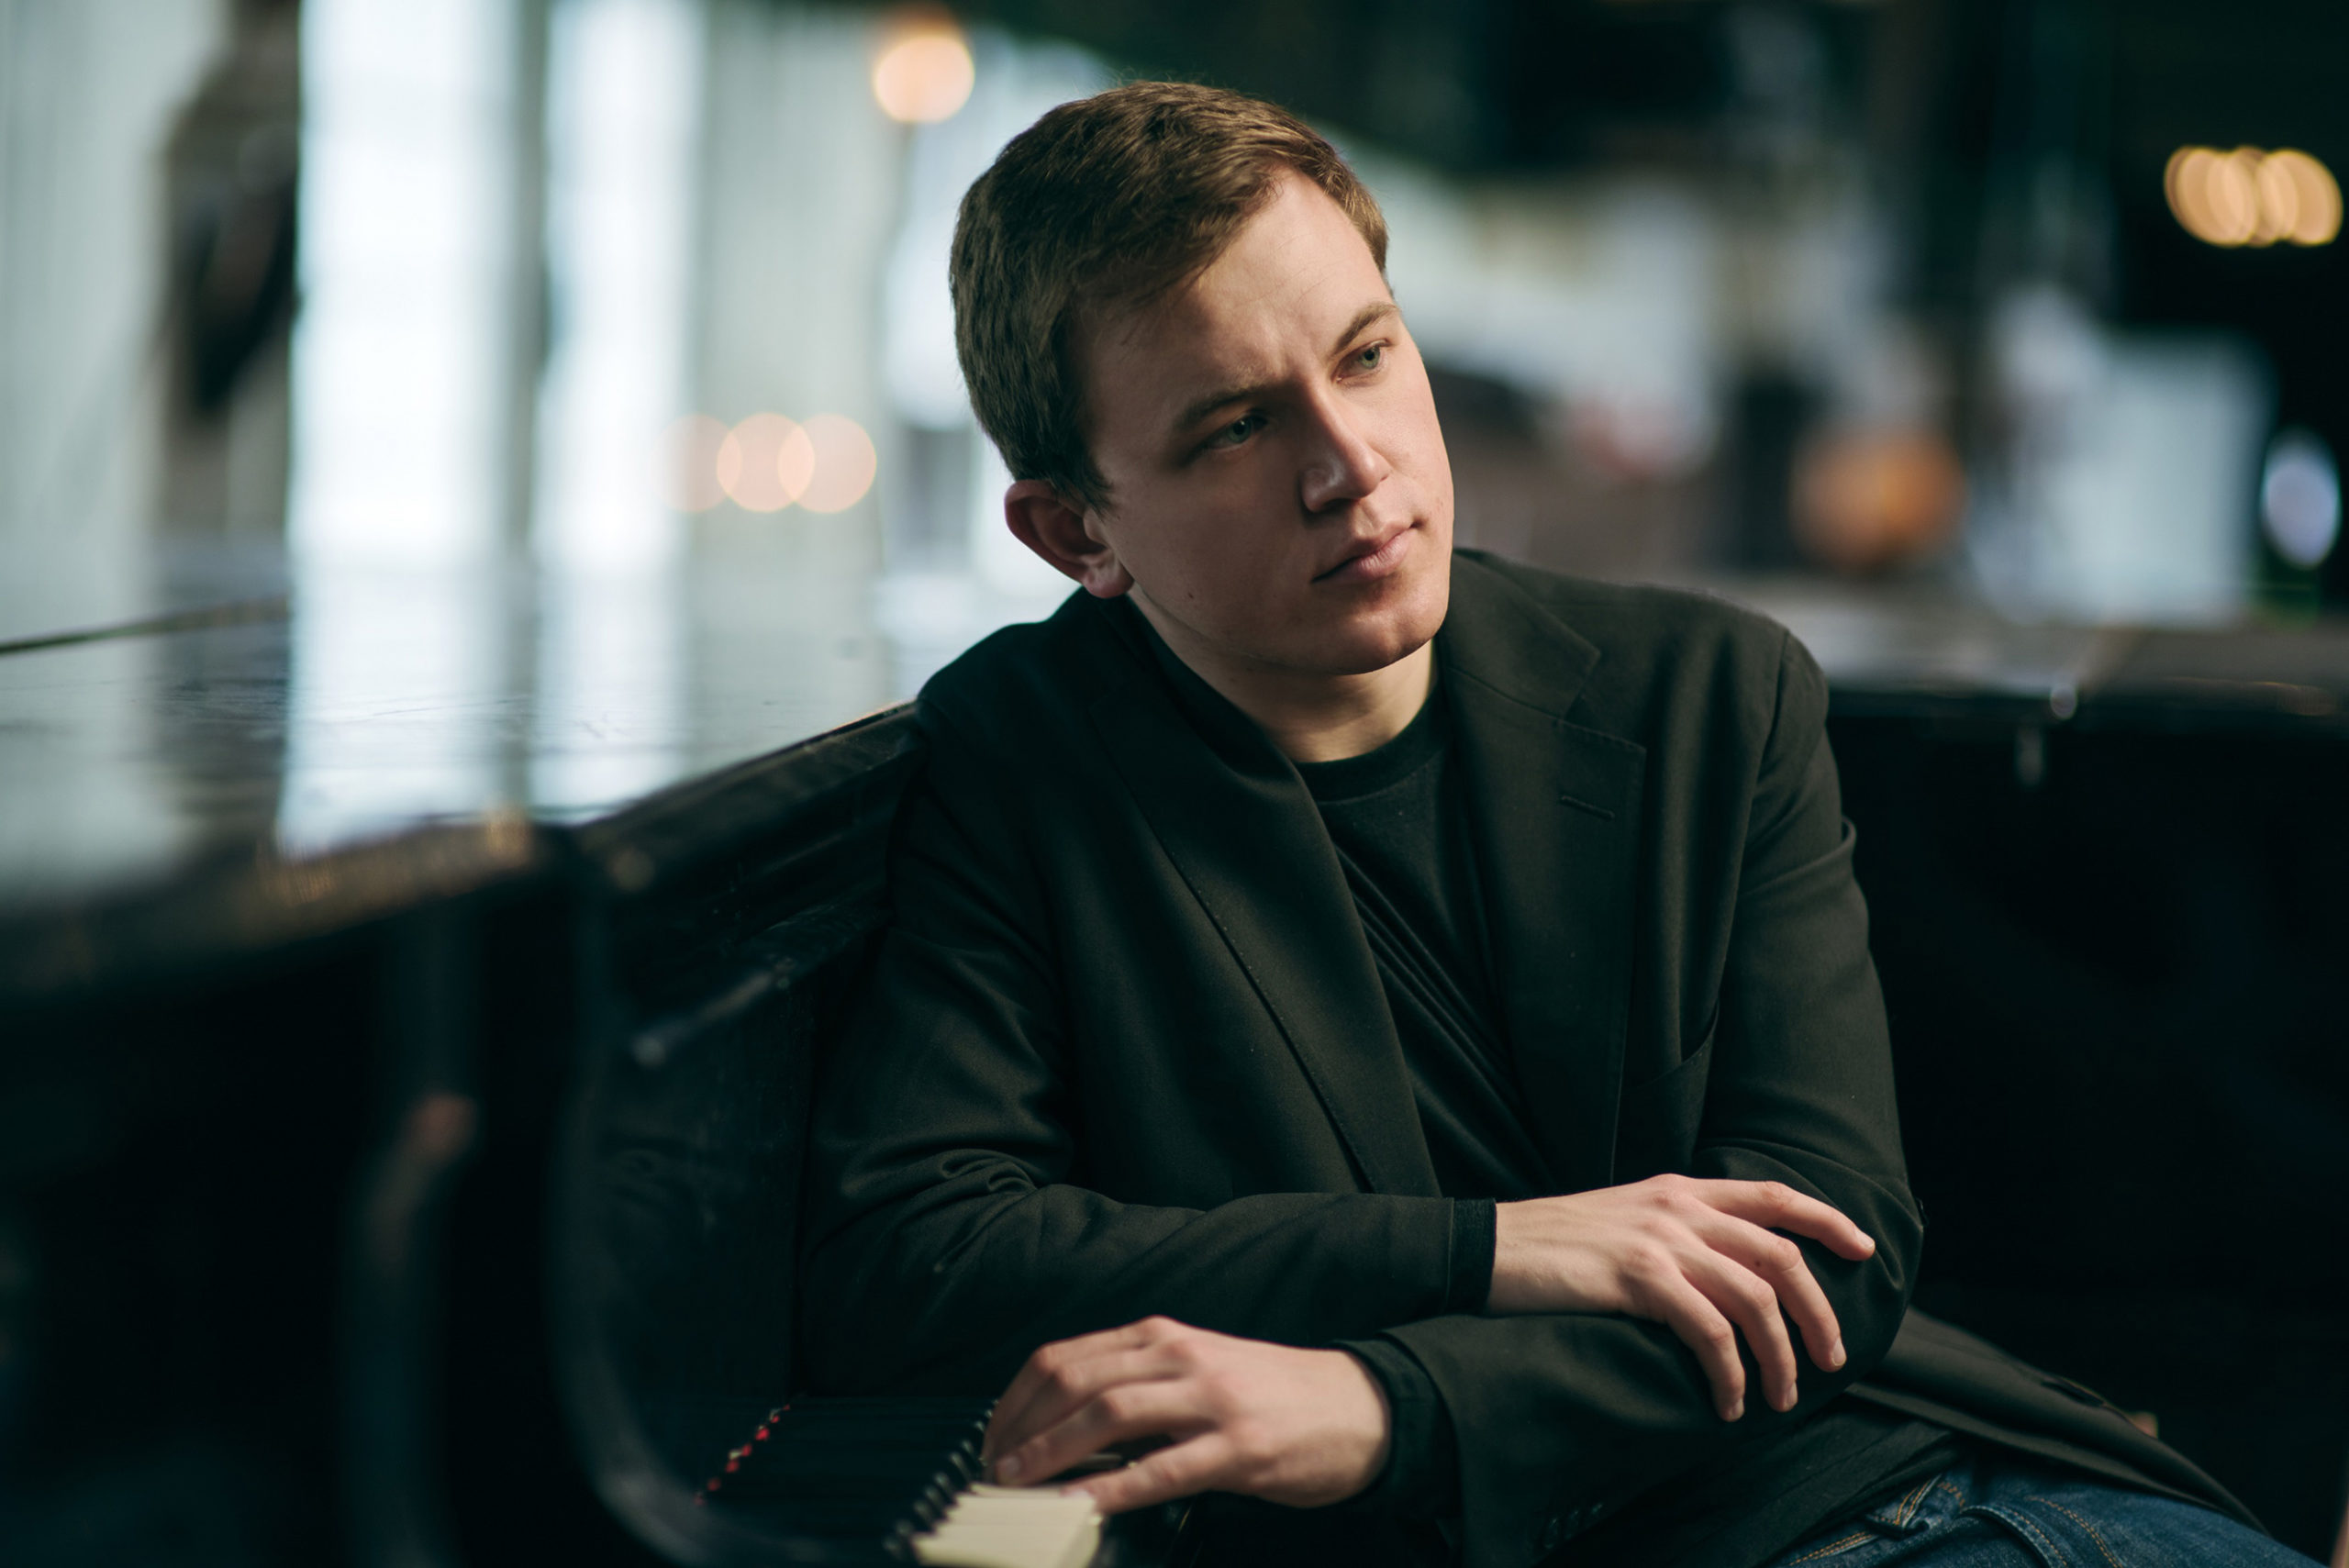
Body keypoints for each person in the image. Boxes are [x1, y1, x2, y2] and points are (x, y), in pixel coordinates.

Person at [801, 82, 2315, 1568]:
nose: (1352, 466)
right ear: (1076, 530)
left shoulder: (1710, 694)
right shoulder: (1021, 752)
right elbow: (922, 1256)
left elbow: (1824, 1254)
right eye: (1239, 426)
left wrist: (1389, 1405)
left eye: (1368, 354)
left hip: (1879, 1503)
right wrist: (1493, 1246)